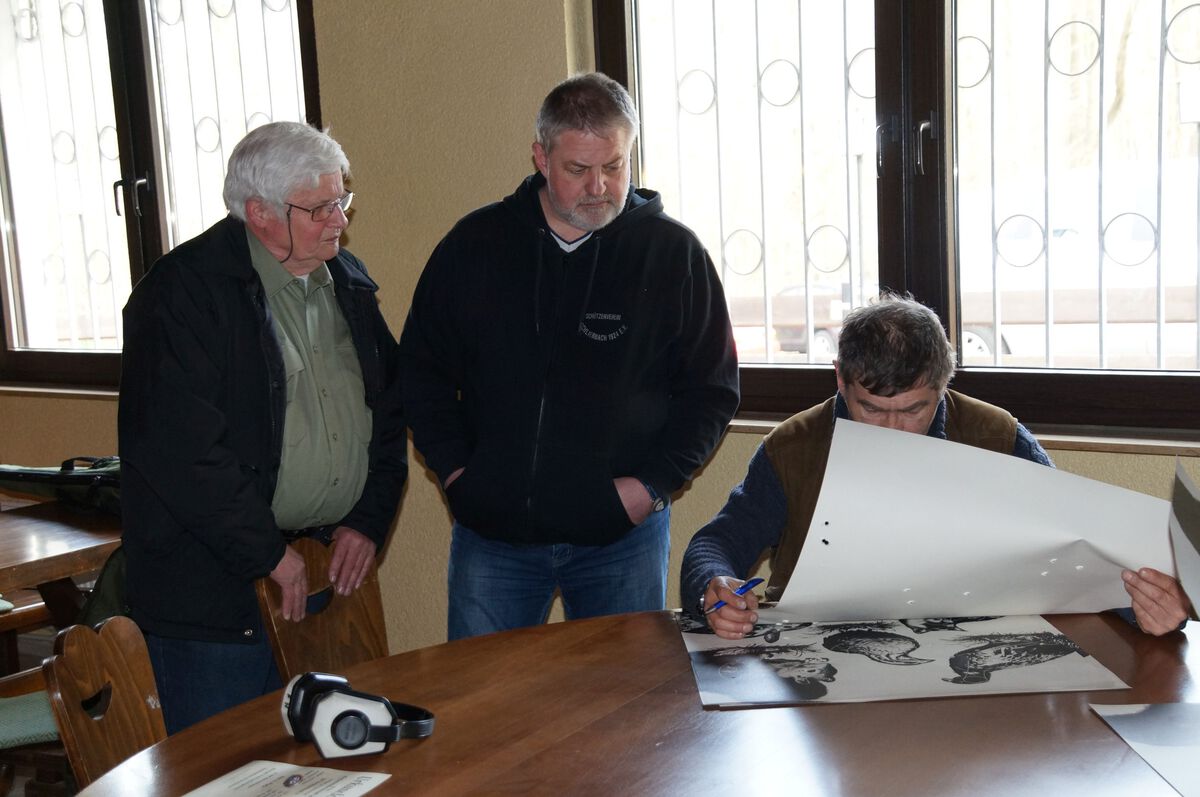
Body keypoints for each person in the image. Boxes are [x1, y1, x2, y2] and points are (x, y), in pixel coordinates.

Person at [400, 72, 739, 640]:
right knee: (485, 693)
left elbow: (713, 391)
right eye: (578, 169)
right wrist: (459, 473)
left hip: (621, 540)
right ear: (541, 157)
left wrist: (649, 487)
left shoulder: (673, 254)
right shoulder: (475, 246)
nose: (599, 187)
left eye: (614, 166)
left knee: (623, 694)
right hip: (493, 540)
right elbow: (421, 372)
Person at [682, 293, 1190, 640]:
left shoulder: (997, 437)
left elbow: (1075, 551)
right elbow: (717, 543)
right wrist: (715, 587)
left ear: (944, 384)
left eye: (913, 410)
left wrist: (1149, 607)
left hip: (971, 652)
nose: (893, 429)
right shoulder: (794, 446)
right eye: (871, 409)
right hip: (823, 651)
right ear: (840, 379)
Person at [119, 122, 406, 733]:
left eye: (341, 200)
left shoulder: (346, 280)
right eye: (320, 208)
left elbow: (389, 409)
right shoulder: (182, 294)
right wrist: (267, 553)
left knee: (336, 758)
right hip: (216, 599)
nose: (339, 220)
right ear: (260, 213)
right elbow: (183, 453)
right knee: (228, 764)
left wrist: (368, 519)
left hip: (324, 575)